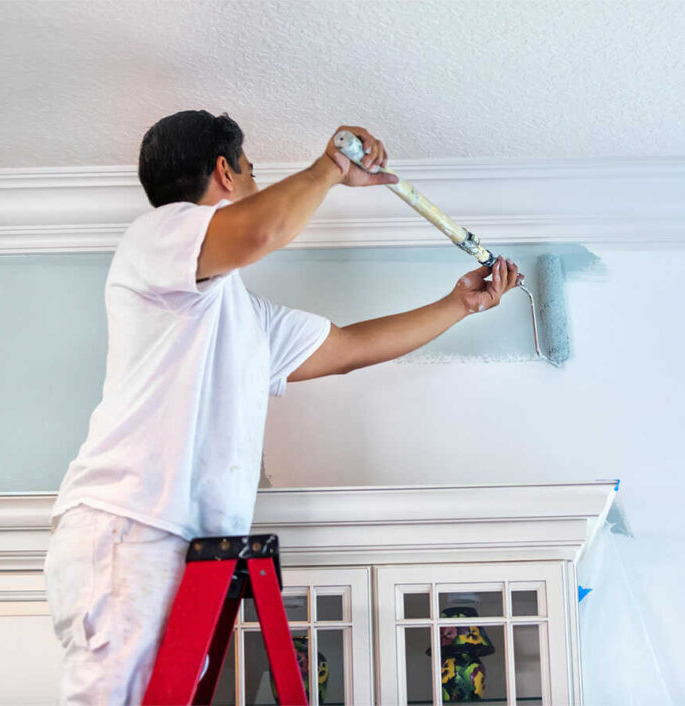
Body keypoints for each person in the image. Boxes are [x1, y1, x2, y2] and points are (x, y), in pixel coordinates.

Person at [43, 110, 522, 704]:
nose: (255, 182)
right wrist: (330, 169)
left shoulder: (239, 317)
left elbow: (347, 348)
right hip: (132, 525)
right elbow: (258, 233)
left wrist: (459, 305)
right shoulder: (157, 236)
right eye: (250, 170)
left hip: (188, 548)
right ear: (224, 172)